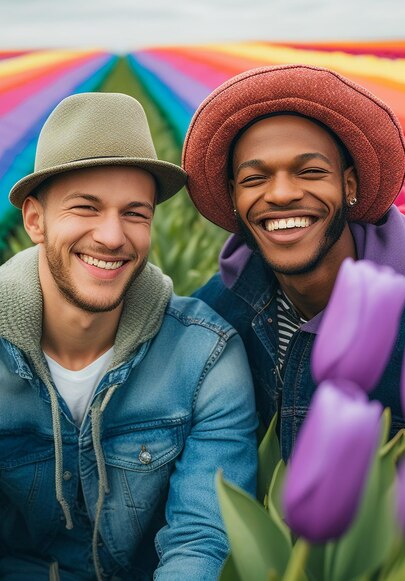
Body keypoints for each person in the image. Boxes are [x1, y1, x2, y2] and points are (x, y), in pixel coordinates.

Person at [0, 92, 257, 580]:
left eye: (135, 213)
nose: (113, 236)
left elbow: (201, 539)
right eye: (86, 207)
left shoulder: (204, 357)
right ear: (35, 220)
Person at [183, 64, 405, 459]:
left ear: (350, 185)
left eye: (310, 171)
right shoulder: (222, 309)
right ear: (234, 198)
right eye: (254, 179)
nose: (280, 194)